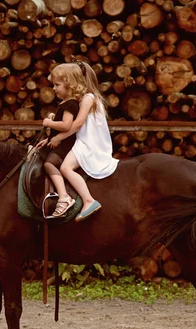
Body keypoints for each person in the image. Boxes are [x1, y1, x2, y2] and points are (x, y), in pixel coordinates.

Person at [44, 60, 119, 222]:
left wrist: (59, 137)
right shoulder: (86, 99)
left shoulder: (88, 98)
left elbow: (77, 124)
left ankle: (87, 200)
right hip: (84, 139)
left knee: (66, 168)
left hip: (89, 142)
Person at [37, 63, 85, 218]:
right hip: (58, 141)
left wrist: (49, 122)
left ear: (69, 84)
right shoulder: (65, 103)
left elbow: (66, 125)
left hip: (66, 145)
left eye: (57, 85)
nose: (54, 89)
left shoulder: (70, 104)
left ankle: (64, 197)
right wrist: (48, 138)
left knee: (49, 164)